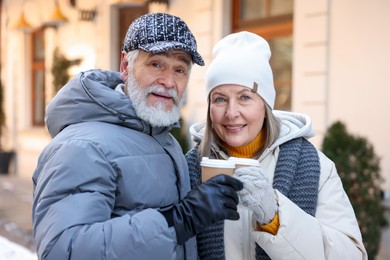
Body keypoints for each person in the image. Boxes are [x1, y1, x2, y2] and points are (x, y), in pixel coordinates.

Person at [32, 13, 243, 260]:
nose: (168, 81)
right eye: (156, 64)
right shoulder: (81, 146)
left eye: (180, 69)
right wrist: (178, 220)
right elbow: (64, 250)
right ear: (125, 66)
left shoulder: (163, 138)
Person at [185, 31, 368, 260]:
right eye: (220, 99)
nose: (231, 113)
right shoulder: (188, 169)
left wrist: (276, 217)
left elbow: (352, 255)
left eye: (245, 97)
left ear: (265, 105)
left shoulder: (315, 167)